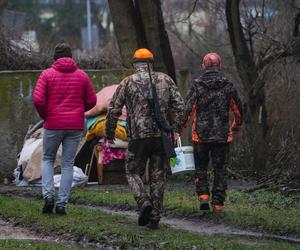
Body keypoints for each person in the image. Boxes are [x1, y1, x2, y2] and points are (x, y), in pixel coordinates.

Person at [105, 48, 184, 229]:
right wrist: (176, 129)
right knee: (158, 176)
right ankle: (155, 218)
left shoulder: (127, 82)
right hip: (161, 136)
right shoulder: (165, 79)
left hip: (138, 137)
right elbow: (180, 106)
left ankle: (143, 202)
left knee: (132, 172)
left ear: (135, 65)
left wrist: (110, 134)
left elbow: (113, 110)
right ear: (151, 63)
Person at [33, 43, 97, 215]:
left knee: (47, 159)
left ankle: (48, 197)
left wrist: (45, 115)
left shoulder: (46, 75)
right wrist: (78, 111)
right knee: (68, 164)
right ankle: (62, 204)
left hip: (53, 123)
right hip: (74, 126)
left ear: (55, 57)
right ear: (71, 56)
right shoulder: (82, 76)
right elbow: (92, 101)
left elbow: (38, 100)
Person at [181, 52, 243, 212]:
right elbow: (238, 109)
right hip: (222, 136)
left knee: (200, 167)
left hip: (200, 135)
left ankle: (203, 197)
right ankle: (218, 204)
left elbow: (187, 109)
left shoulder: (197, 85)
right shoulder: (228, 85)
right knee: (220, 169)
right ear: (219, 66)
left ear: (203, 67)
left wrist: (179, 129)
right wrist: (236, 126)